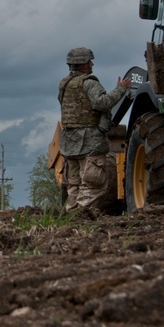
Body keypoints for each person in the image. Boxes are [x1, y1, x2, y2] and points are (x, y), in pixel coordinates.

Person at [58, 46, 131, 213]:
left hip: (69, 141)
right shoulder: (89, 83)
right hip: (89, 140)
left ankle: (71, 216)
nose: (91, 64)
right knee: (92, 183)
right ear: (80, 64)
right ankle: (81, 215)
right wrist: (121, 89)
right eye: (88, 61)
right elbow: (101, 103)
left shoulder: (64, 84)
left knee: (74, 184)